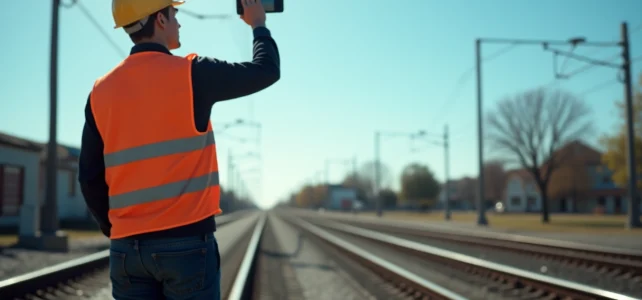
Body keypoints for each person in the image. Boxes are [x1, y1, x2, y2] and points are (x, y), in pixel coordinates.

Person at [77, 0, 280, 298]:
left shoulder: (100, 90)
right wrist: (258, 25)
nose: (179, 22)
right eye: (175, 14)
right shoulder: (192, 73)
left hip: (126, 250)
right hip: (185, 245)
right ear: (160, 19)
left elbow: (89, 176)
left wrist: (117, 230)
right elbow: (266, 70)